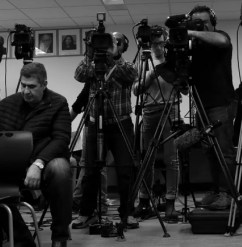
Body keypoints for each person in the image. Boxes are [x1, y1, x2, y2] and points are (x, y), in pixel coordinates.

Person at [0, 62, 72, 247]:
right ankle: (22, 237)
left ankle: (60, 239)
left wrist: (38, 163)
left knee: (61, 169)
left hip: (46, 161)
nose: (26, 91)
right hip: (12, 164)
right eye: (23, 85)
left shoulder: (58, 103)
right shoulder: (7, 104)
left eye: (32, 86)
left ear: (44, 84)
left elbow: (61, 139)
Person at [72, 32, 139, 230]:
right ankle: (87, 213)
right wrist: (90, 54)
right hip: (95, 123)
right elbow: (78, 75)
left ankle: (127, 214)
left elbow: (132, 74)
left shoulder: (122, 66)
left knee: (125, 171)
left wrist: (115, 57)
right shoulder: (93, 65)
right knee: (90, 172)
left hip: (121, 124)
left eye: (112, 44)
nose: (107, 48)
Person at [188, 5, 236, 210]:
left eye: (204, 22)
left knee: (224, 151)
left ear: (213, 22)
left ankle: (227, 194)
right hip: (201, 105)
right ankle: (216, 191)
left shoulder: (220, 37)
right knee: (209, 152)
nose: (201, 26)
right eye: (196, 22)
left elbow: (223, 41)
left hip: (221, 103)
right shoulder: (194, 47)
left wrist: (192, 31)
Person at [132, 26, 181, 222]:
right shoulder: (141, 61)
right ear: (148, 44)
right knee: (147, 159)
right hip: (149, 111)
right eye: (155, 44)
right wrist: (151, 74)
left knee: (172, 159)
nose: (159, 47)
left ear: (166, 41)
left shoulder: (173, 60)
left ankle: (170, 203)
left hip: (171, 108)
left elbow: (183, 87)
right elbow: (136, 90)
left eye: (161, 43)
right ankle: (144, 200)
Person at [70, 82, 108, 215]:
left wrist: (67, 118)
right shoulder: (90, 76)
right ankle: (80, 199)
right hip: (90, 123)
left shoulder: (105, 79)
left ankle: (99, 202)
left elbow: (80, 100)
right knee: (85, 163)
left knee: (98, 164)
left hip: (102, 124)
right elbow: (82, 98)